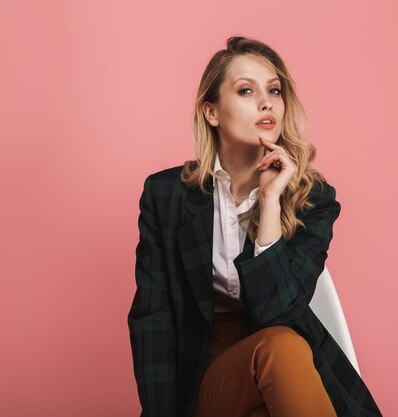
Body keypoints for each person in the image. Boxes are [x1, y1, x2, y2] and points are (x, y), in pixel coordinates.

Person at [127, 36, 383, 417]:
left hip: (284, 365)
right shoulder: (166, 195)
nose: (267, 103)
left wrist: (269, 204)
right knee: (280, 348)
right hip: (203, 379)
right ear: (212, 112)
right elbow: (153, 319)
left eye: (274, 90)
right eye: (246, 90)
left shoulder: (313, 200)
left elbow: (280, 315)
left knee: (280, 350)